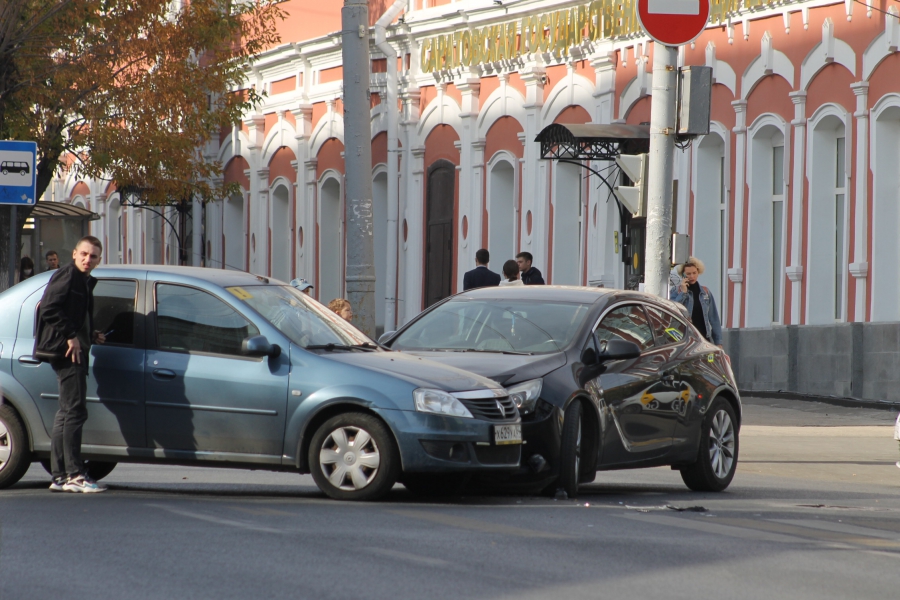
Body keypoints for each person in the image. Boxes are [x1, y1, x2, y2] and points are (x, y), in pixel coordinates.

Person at [34, 236, 107, 493]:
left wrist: (89, 333)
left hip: (73, 349)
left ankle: (61, 476)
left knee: (66, 412)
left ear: (99, 259)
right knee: (74, 412)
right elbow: (50, 308)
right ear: (75, 253)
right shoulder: (69, 276)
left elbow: (72, 312)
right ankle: (74, 474)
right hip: (67, 353)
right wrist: (71, 336)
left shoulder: (83, 280)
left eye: (93, 256)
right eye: (84, 254)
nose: (88, 260)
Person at [669, 256, 723, 346]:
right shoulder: (676, 291)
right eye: (688, 274)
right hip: (685, 339)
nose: (692, 276)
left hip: (704, 338)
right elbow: (674, 310)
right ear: (683, 274)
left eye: (694, 273)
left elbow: (714, 319)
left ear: (698, 272)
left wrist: (718, 342)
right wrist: (683, 293)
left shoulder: (705, 292)